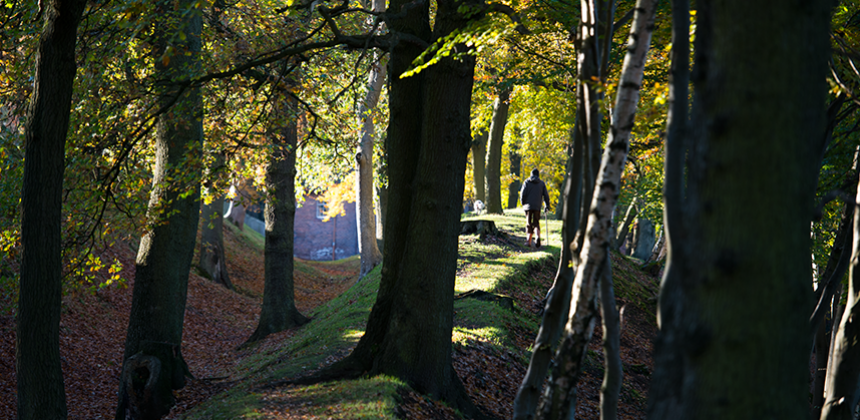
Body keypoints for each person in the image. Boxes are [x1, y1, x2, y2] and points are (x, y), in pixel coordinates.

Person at [520, 168, 550, 248]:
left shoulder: (527, 182)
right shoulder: (541, 183)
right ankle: (537, 237)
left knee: (528, 223)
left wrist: (523, 202)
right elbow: (546, 196)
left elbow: (522, 193)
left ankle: (528, 241)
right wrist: (547, 205)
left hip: (528, 206)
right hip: (537, 206)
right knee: (536, 223)